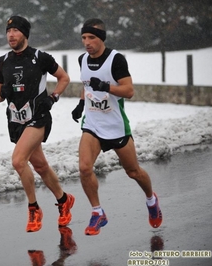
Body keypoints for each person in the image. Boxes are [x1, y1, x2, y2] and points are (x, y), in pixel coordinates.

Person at [71, 18, 163, 236]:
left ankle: (151, 199)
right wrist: (81, 103)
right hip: (92, 124)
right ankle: (97, 212)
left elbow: (129, 90)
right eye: (84, 38)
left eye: (91, 37)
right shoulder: (82, 59)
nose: (87, 42)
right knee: (84, 168)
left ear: (101, 38)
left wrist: (105, 86)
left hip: (116, 126)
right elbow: (86, 85)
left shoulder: (115, 60)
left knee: (133, 172)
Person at [0, 15, 75, 233]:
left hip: (38, 117)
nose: (11, 35)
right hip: (16, 121)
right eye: (8, 31)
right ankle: (64, 199)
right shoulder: (2, 62)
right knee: (39, 166)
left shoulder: (40, 57)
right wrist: (3, 93)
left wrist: (53, 97)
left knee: (19, 161)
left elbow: (64, 78)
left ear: (25, 34)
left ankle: (34, 208)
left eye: (16, 31)